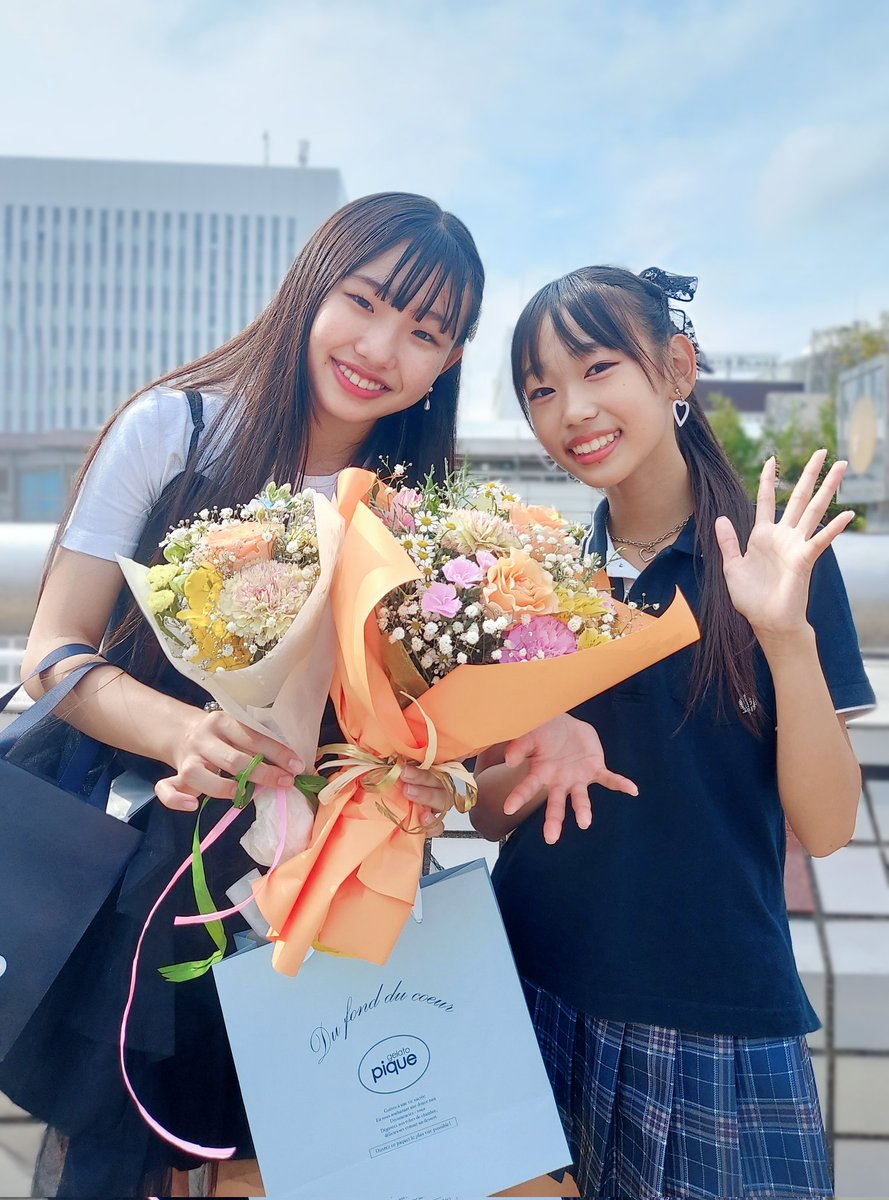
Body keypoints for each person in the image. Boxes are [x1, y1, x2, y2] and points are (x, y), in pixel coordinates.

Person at [20, 192, 485, 1198]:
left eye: (424, 332)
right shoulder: (175, 429)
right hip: (146, 878)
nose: (380, 348)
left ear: (449, 361)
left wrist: (433, 769)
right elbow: (51, 654)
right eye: (365, 301)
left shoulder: (419, 512)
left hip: (330, 900)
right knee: (125, 1164)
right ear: (312, 284)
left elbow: (420, 713)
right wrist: (183, 731)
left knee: (314, 1161)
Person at [472, 266, 876, 1199]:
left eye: (597, 367)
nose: (572, 410)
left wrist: (784, 637)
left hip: (710, 1009)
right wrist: (508, 775)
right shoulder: (535, 576)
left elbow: (825, 828)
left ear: (677, 369)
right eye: (540, 390)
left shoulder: (773, 564)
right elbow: (494, 815)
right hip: (528, 982)